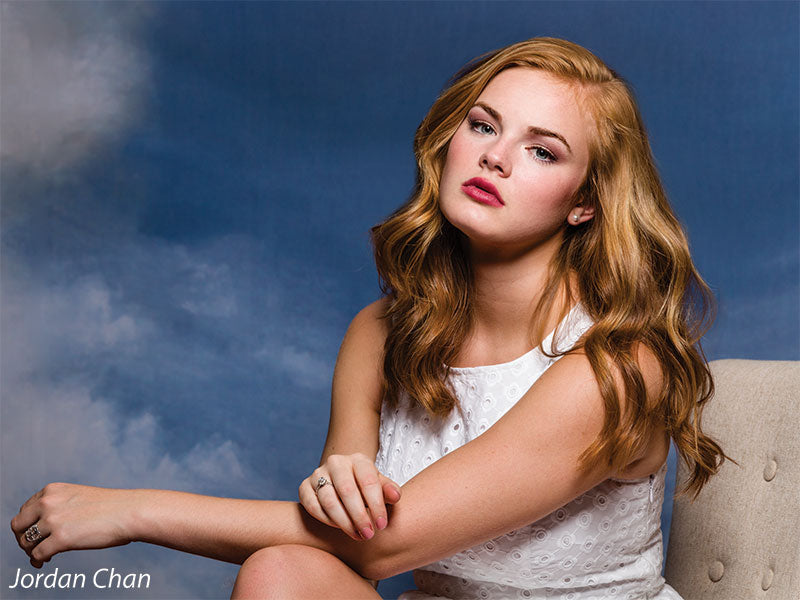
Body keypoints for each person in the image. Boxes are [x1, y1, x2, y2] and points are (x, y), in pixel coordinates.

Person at [11, 37, 726, 599]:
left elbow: (382, 546)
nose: (495, 157)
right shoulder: (379, 334)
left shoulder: (617, 367)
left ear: (585, 202)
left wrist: (132, 512)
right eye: (483, 125)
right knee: (281, 573)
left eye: (542, 150)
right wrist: (333, 488)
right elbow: (345, 537)